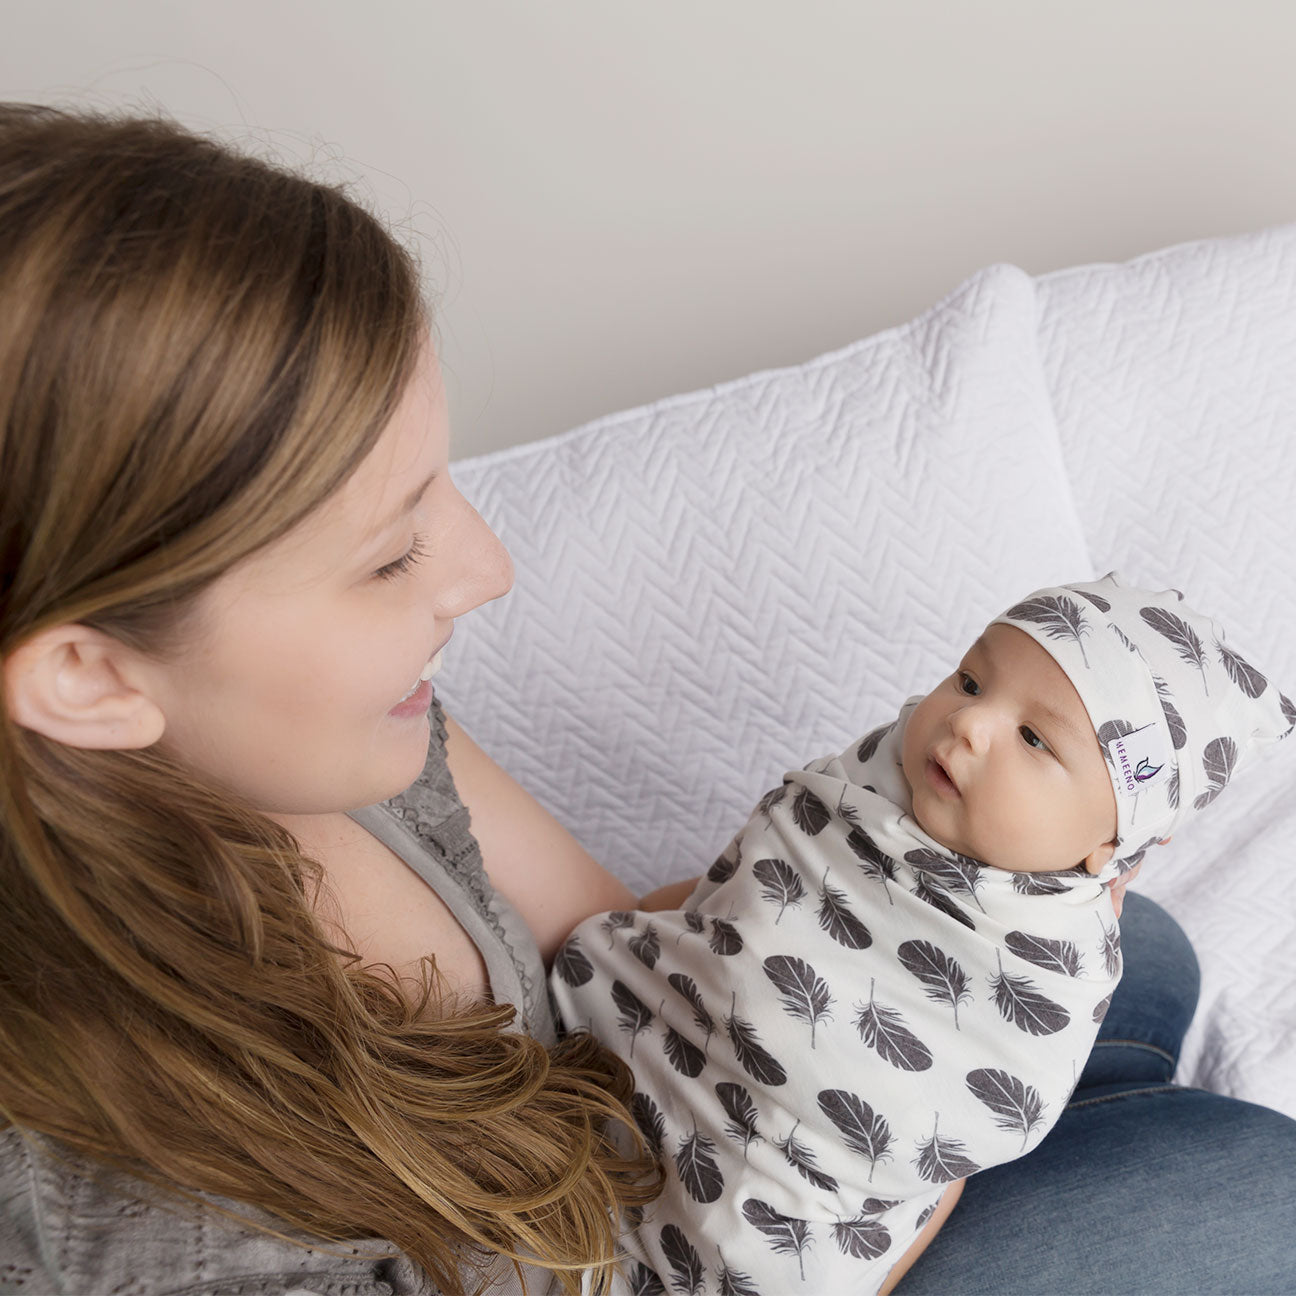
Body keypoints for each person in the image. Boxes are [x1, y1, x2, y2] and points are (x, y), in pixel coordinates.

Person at [1, 104, 1294, 1296]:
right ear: (90, 675)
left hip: (639, 1118)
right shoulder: (124, 1225)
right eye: (389, 555)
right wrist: (900, 1173)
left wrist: (834, 911)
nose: (486, 571)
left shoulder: (347, 735)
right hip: (696, 1264)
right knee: (1251, 1192)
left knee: (1146, 957)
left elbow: (626, 933)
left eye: (440, 484)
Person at [550, 575, 1293, 1294]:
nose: (969, 722)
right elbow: (730, 890)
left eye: (1034, 738)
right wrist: (667, 934)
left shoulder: (1054, 976)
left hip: (796, 1199)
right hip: (646, 1086)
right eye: (970, 681)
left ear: (1107, 848)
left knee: (1162, 959)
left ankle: (1136, 1103)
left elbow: (947, 1135)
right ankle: (1140, 1101)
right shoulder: (864, 784)